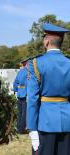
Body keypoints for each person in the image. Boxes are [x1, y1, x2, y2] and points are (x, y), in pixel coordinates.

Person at [27, 23, 70, 155]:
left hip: (45, 122)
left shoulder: (35, 63)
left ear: (46, 41)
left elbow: (32, 99)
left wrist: (32, 129)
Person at [13, 60, 28, 134]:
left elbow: (15, 83)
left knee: (20, 112)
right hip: (26, 94)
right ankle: (21, 129)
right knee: (24, 113)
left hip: (19, 93)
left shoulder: (20, 72)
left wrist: (16, 90)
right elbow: (29, 84)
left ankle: (18, 128)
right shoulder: (28, 72)